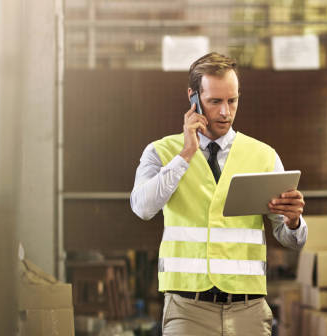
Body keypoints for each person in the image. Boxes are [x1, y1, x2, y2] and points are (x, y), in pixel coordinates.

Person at [130, 52, 307, 336]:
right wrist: (185, 154)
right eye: (215, 102)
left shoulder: (264, 156)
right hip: (187, 308)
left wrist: (294, 222)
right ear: (193, 97)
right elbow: (142, 207)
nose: (225, 112)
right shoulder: (161, 152)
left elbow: (291, 240)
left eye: (232, 100)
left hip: (248, 309)